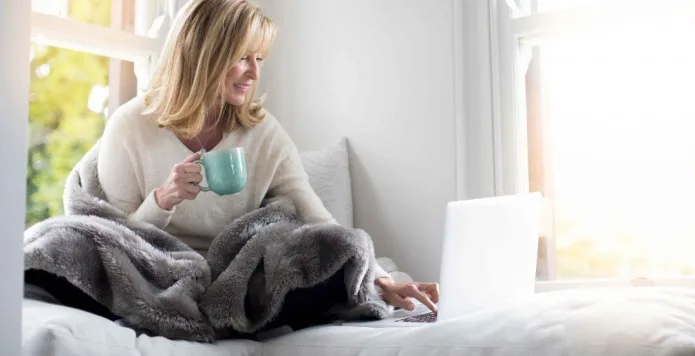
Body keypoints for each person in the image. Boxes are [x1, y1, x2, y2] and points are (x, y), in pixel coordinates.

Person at [96, 0, 439, 321]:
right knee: (67, 250)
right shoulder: (130, 128)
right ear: (204, 55)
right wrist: (162, 200)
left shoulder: (262, 135)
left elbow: (316, 218)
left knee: (329, 266)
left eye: (259, 59)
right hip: (158, 276)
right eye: (243, 58)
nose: (254, 74)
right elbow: (119, 247)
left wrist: (383, 280)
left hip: (238, 284)